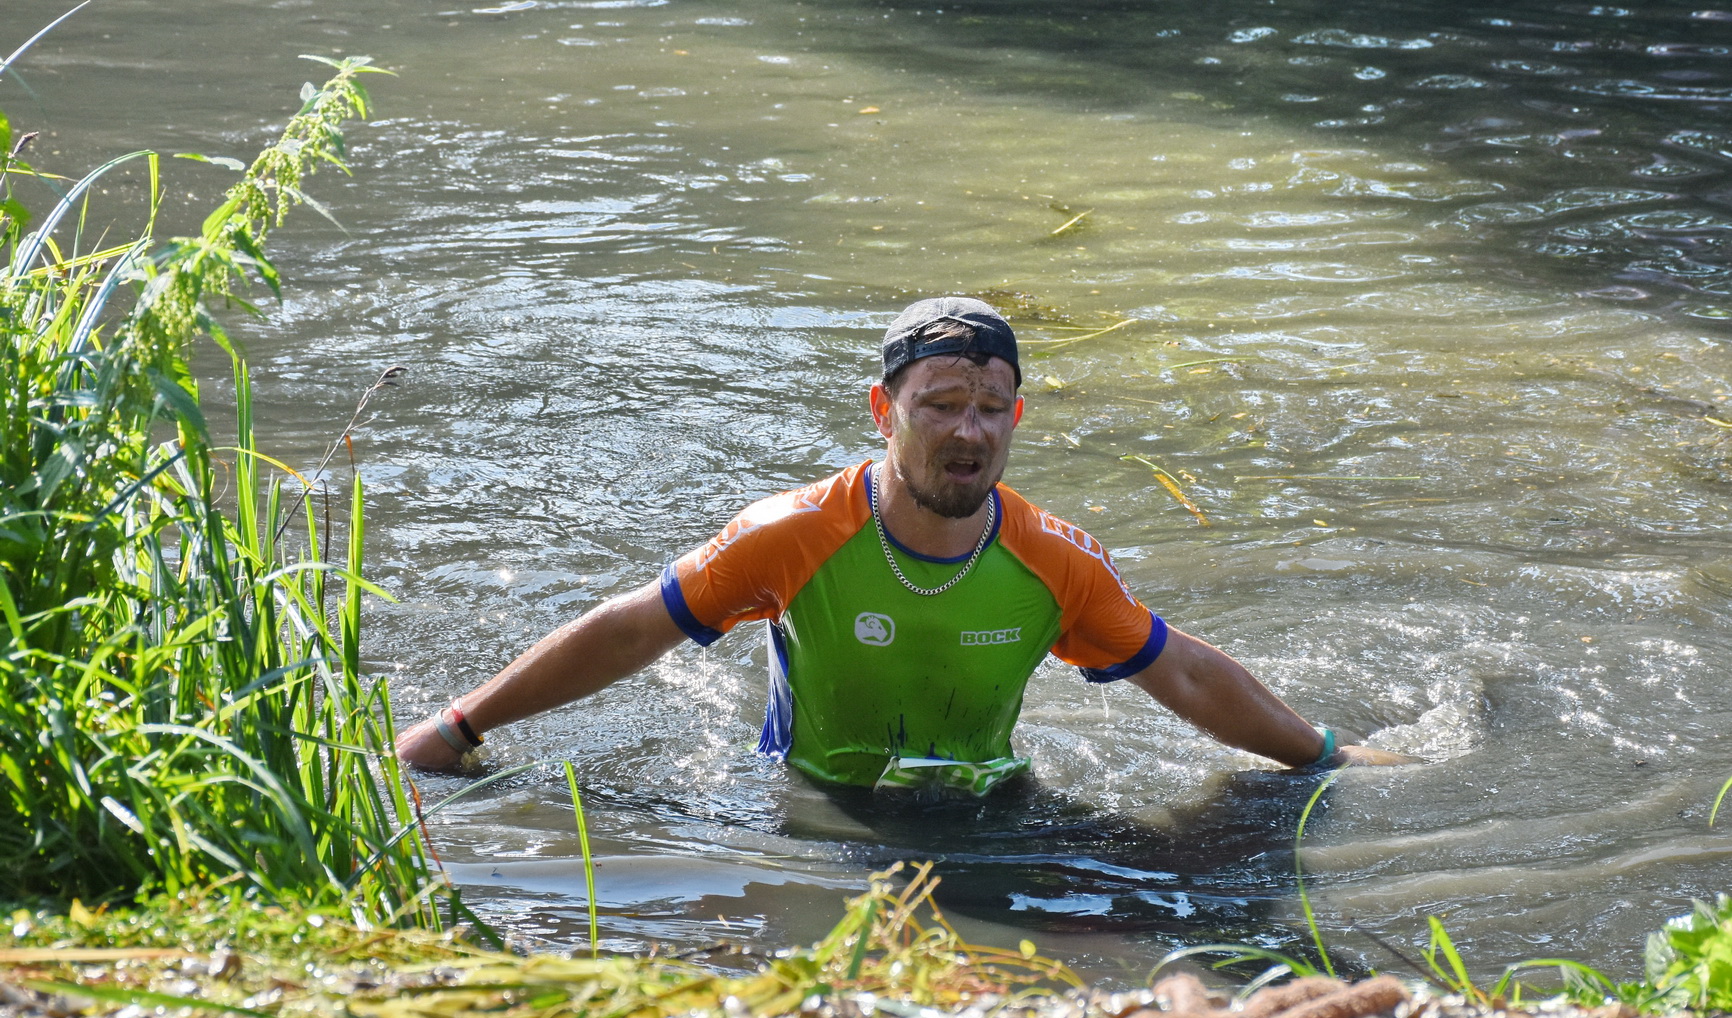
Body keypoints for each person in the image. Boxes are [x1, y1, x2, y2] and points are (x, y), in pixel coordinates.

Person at [396, 297, 1407, 787]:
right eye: (941, 405)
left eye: (991, 409)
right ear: (884, 408)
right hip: (811, 811)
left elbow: (1178, 671)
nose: (967, 432)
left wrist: (1323, 756)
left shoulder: (1056, 562)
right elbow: (629, 631)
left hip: (984, 808)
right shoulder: (793, 536)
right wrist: (456, 728)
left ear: (1017, 417)